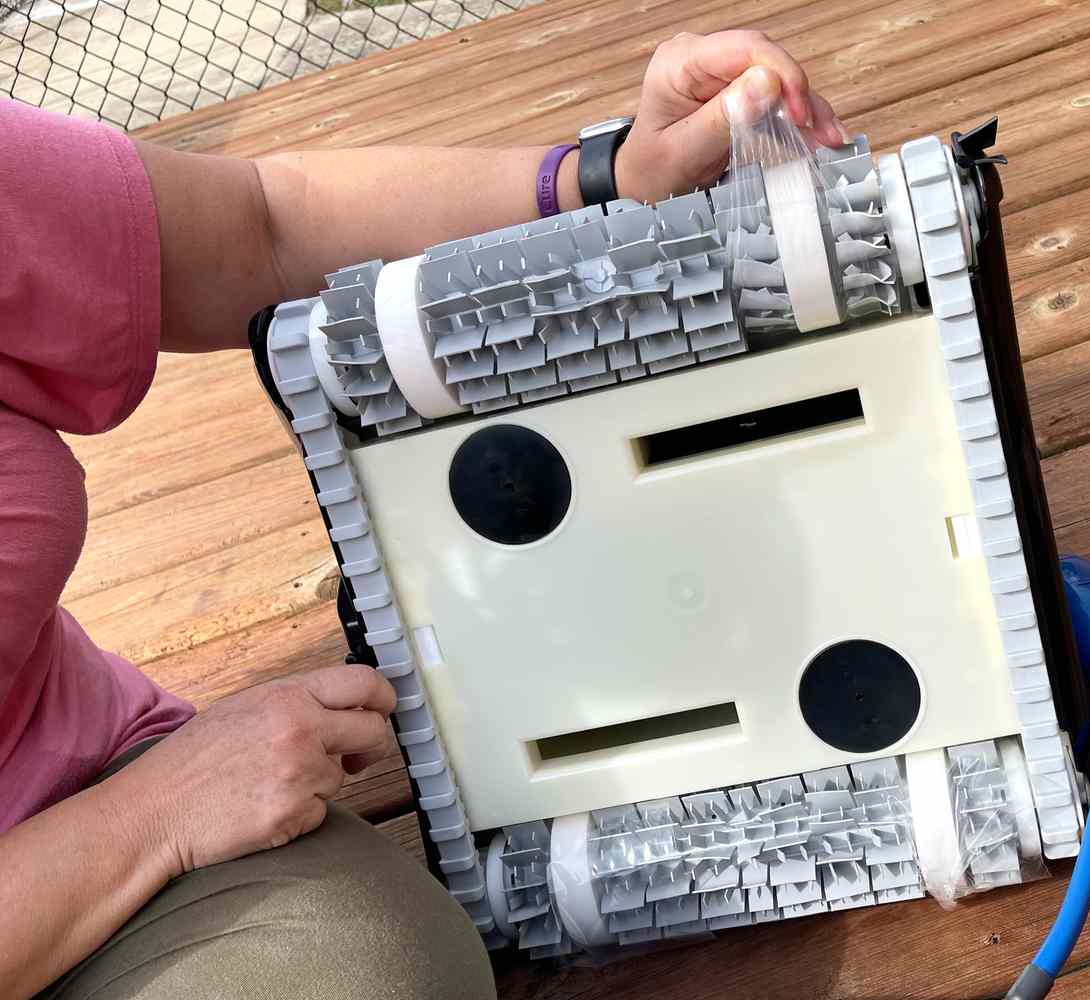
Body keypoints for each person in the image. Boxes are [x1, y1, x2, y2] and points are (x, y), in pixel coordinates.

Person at [0, 30, 846, 1000]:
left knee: (380, 974)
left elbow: (257, 224)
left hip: (64, 779)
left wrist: (609, 180)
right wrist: (151, 817)